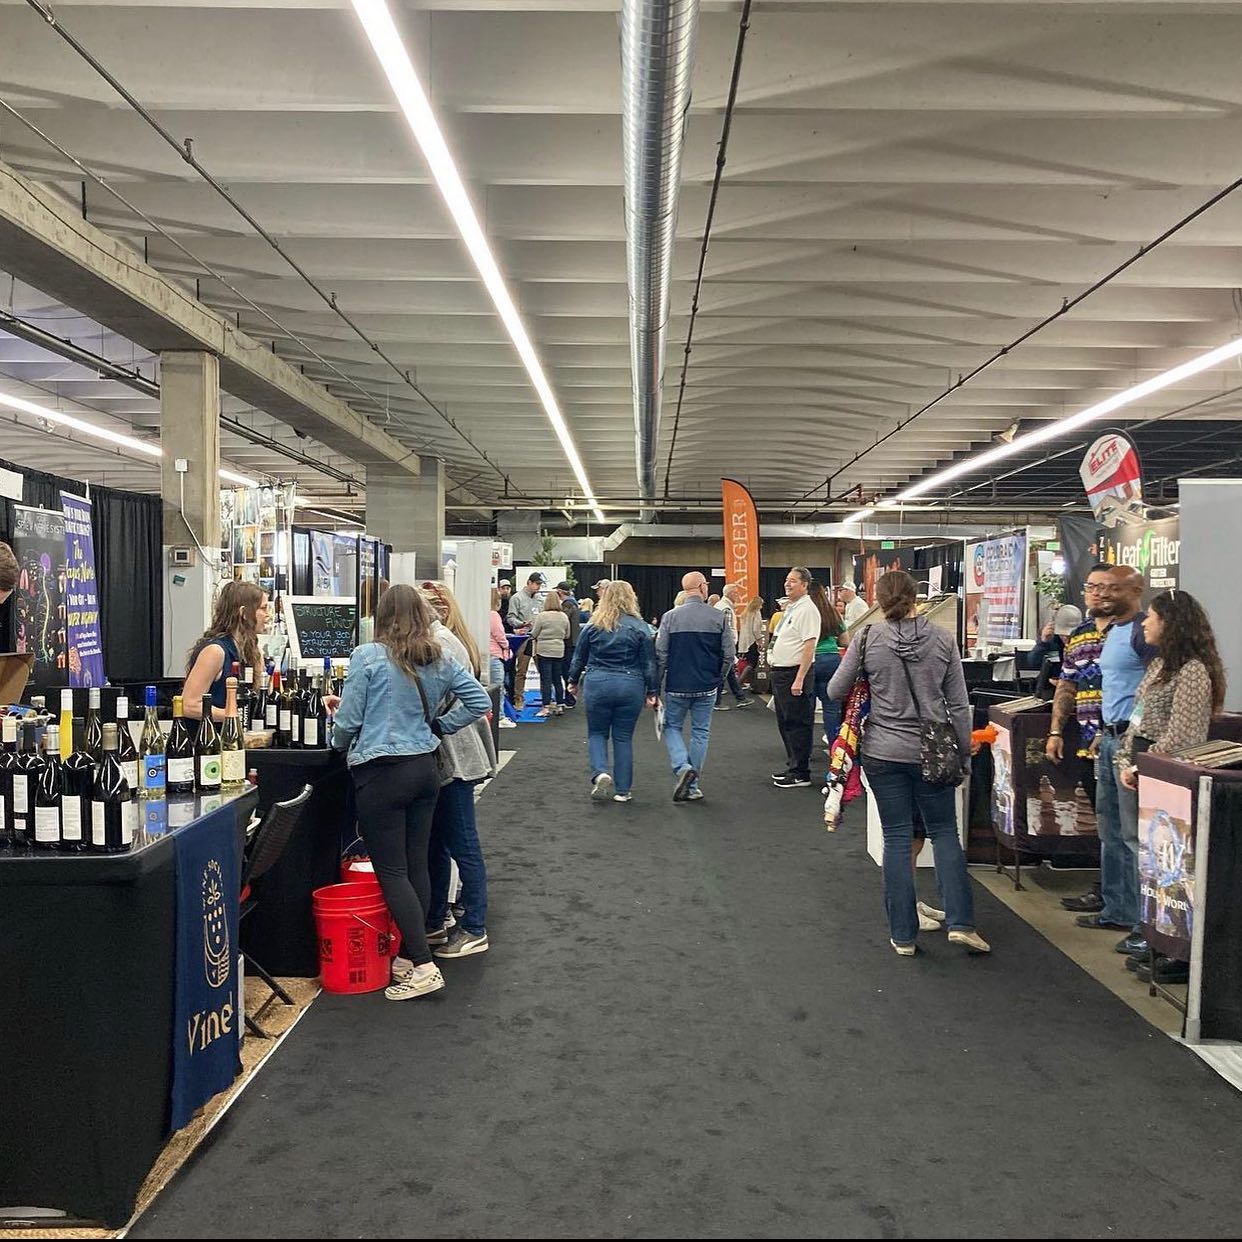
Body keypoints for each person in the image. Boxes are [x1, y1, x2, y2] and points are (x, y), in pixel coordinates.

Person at [330, 585, 490, 1000]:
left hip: (381, 772)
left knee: (393, 872)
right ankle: (406, 955)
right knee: (416, 865)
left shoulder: (368, 657)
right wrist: (439, 727)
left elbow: (349, 721)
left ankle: (422, 964)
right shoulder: (438, 655)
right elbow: (476, 700)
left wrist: (338, 739)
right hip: (425, 770)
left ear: (382, 615)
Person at [828, 570, 988, 956]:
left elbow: (835, 690)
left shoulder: (867, 638)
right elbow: (958, 705)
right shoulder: (943, 639)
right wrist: (963, 753)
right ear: (916, 597)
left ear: (878, 600)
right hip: (932, 751)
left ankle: (903, 936)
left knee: (897, 837)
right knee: (945, 833)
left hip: (882, 752)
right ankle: (961, 923)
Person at [1113, 589, 1225, 968]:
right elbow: (1139, 717)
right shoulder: (1160, 666)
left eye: (1152, 617)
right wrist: (1127, 759)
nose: (1145, 622)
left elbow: (1185, 735)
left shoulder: (1193, 671)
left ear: (1171, 623)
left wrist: (1144, 766)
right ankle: (1145, 929)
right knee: (1138, 852)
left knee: (1162, 861)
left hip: (1165, 777)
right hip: (1140, 766)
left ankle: (1165, 939)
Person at [1050, 566, 1155, 938]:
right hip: (1106, 739)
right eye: (1096, 587)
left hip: (1133, 743)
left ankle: (1144, 923)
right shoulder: (1102, 635)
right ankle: (1118, 909)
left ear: (1136, 590)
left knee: (1131, 835)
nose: (1102, 594)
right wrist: (1098, 731)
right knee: (1111, 832)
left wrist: (1131, 733)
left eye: (1112, 588)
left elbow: (1152, 689)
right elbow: (1078, 684)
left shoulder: (1145, 634)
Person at [413, 580, 497, 961]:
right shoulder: (441, 639)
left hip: (456, 759)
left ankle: (474, 927)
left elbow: (467, 702)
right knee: (438, 842)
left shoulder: (441, 645)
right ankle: (435, 920)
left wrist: (439, 725)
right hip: (448, 758)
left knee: (462, 843)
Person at [566, 581, 657, 803]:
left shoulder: (593, 626)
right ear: (631, 598)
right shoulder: (641, 627)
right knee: (623, 737)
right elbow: (649, 664)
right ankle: (623, 791)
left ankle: (600, 772)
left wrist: (572, 680)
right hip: (630, 685)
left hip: (598, 683)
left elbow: (579, 657)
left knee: (597, 733)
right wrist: (652, 691)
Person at [656, 571, 736, 802]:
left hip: (677, 685)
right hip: (707, 686)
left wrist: (656, 685)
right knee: (701, 732)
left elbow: (661, 654)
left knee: (671, 727)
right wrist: (719, 679)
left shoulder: (669, 617)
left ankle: (682, 767)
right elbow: (729, 656)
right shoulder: (719, 617)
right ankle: (693, 787)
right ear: (702, 587)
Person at [184, 581, 269, 721]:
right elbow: (189, 705)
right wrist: (233, 717)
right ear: (243, 613)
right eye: (263, 608)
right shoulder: (215, 651)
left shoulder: (251, 650)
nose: (267, 615)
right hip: (210, 739)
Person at [768, 568, 821, 788]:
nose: (787, 585)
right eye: (786, 581)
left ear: (805, 584)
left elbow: (809, 646)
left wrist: (799, 678)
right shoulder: (793, 608)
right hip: (781, 672)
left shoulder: (808, 609)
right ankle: (793, 765)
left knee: (798, 723)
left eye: (793, 581)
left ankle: (801, 772)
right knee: (785, 722)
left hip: (794, 672)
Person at [808, 581, 847, 746]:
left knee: (806, 710)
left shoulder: (805, 612)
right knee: (831, 708)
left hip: (809, 660)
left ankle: (804, 752)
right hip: (831, 660)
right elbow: (845, 641)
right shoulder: (833, 613)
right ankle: (835, 749)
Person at [506, 572, 545, 709]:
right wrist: (521, 623)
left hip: (539, 637)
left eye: (540, 584)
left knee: (543, 670)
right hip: (524, 638)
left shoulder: (540, 599)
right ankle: (518, 699)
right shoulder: (517, 598)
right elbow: (510, 618)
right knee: (521, 670)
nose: (538, 587)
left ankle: (545, 699)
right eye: (537, 584)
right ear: (529, 582)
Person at [713, 583, 753, 710]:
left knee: (729, 673)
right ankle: (716, 702)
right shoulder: (726, 609)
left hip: (721, 646)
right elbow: (727, 630)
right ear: (730, 594)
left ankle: (740, 698)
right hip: (726, 646)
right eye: (736, 593)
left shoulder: (720, 606)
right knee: (722, 674)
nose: (738, 595)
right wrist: (730, 647)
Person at [531, 591, 571, 717]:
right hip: (559, 650)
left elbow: (534, 633)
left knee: (546, 680)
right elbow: (567, 634)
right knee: (557, 679)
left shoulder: (542, 616)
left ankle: (546, 707)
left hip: (544, 650)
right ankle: (560, 705)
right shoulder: (563, 616)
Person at [1025, 603, 1083, 671]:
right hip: (1053, 678)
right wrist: (1043, 642)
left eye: (1070, 635)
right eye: (1062, 634)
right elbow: (1033, 663)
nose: (1066, 638)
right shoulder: (1051, 640)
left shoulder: (1084, 640)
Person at [555, 582, 582, 705]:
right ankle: (570, 697)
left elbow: (563, 620)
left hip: (568, 641)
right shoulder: (574, 603)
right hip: (573, 640)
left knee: (566, 670)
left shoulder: (568, 604)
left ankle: (570, 697)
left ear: (560, 592)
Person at [737, 594, 766, 689]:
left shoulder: (745, 613)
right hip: (752, 641)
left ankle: (749, 683)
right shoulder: (756, 613)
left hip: (744, 642)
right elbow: (756, 629)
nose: (762, 607)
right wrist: (760, 641)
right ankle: (739, 683)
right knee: (752, 663)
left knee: (747, 662)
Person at [487, 588, 510, 692]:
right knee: (497, 692)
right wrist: (507, 646)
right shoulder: (493, 615)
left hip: (484, 655)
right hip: (495, 656)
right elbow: (499, 635)